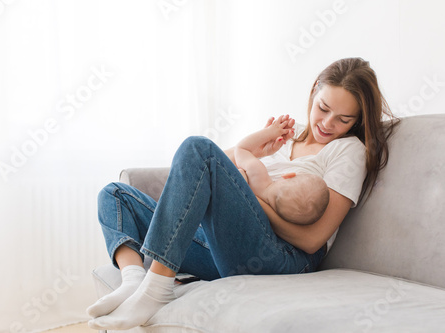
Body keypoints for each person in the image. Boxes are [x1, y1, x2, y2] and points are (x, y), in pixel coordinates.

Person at [87, 57, 399, 330]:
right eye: (323, 108)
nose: (328, 124)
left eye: (344, 119)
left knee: (198, 146)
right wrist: (256, 144)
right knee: (115, 195)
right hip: (230, 245)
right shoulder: (285, 137)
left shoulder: (348, 150)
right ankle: (134, 281)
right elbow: (198, 169)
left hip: (283, 256)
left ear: (357, 120)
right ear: (315, 90)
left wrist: (254, 194)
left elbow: (312, 240)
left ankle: (156, 289)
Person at [235, 116, 330, 225]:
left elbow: (241, 148)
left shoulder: (258, 174)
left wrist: (268, 133)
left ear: (288, 175)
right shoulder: (268, 216)